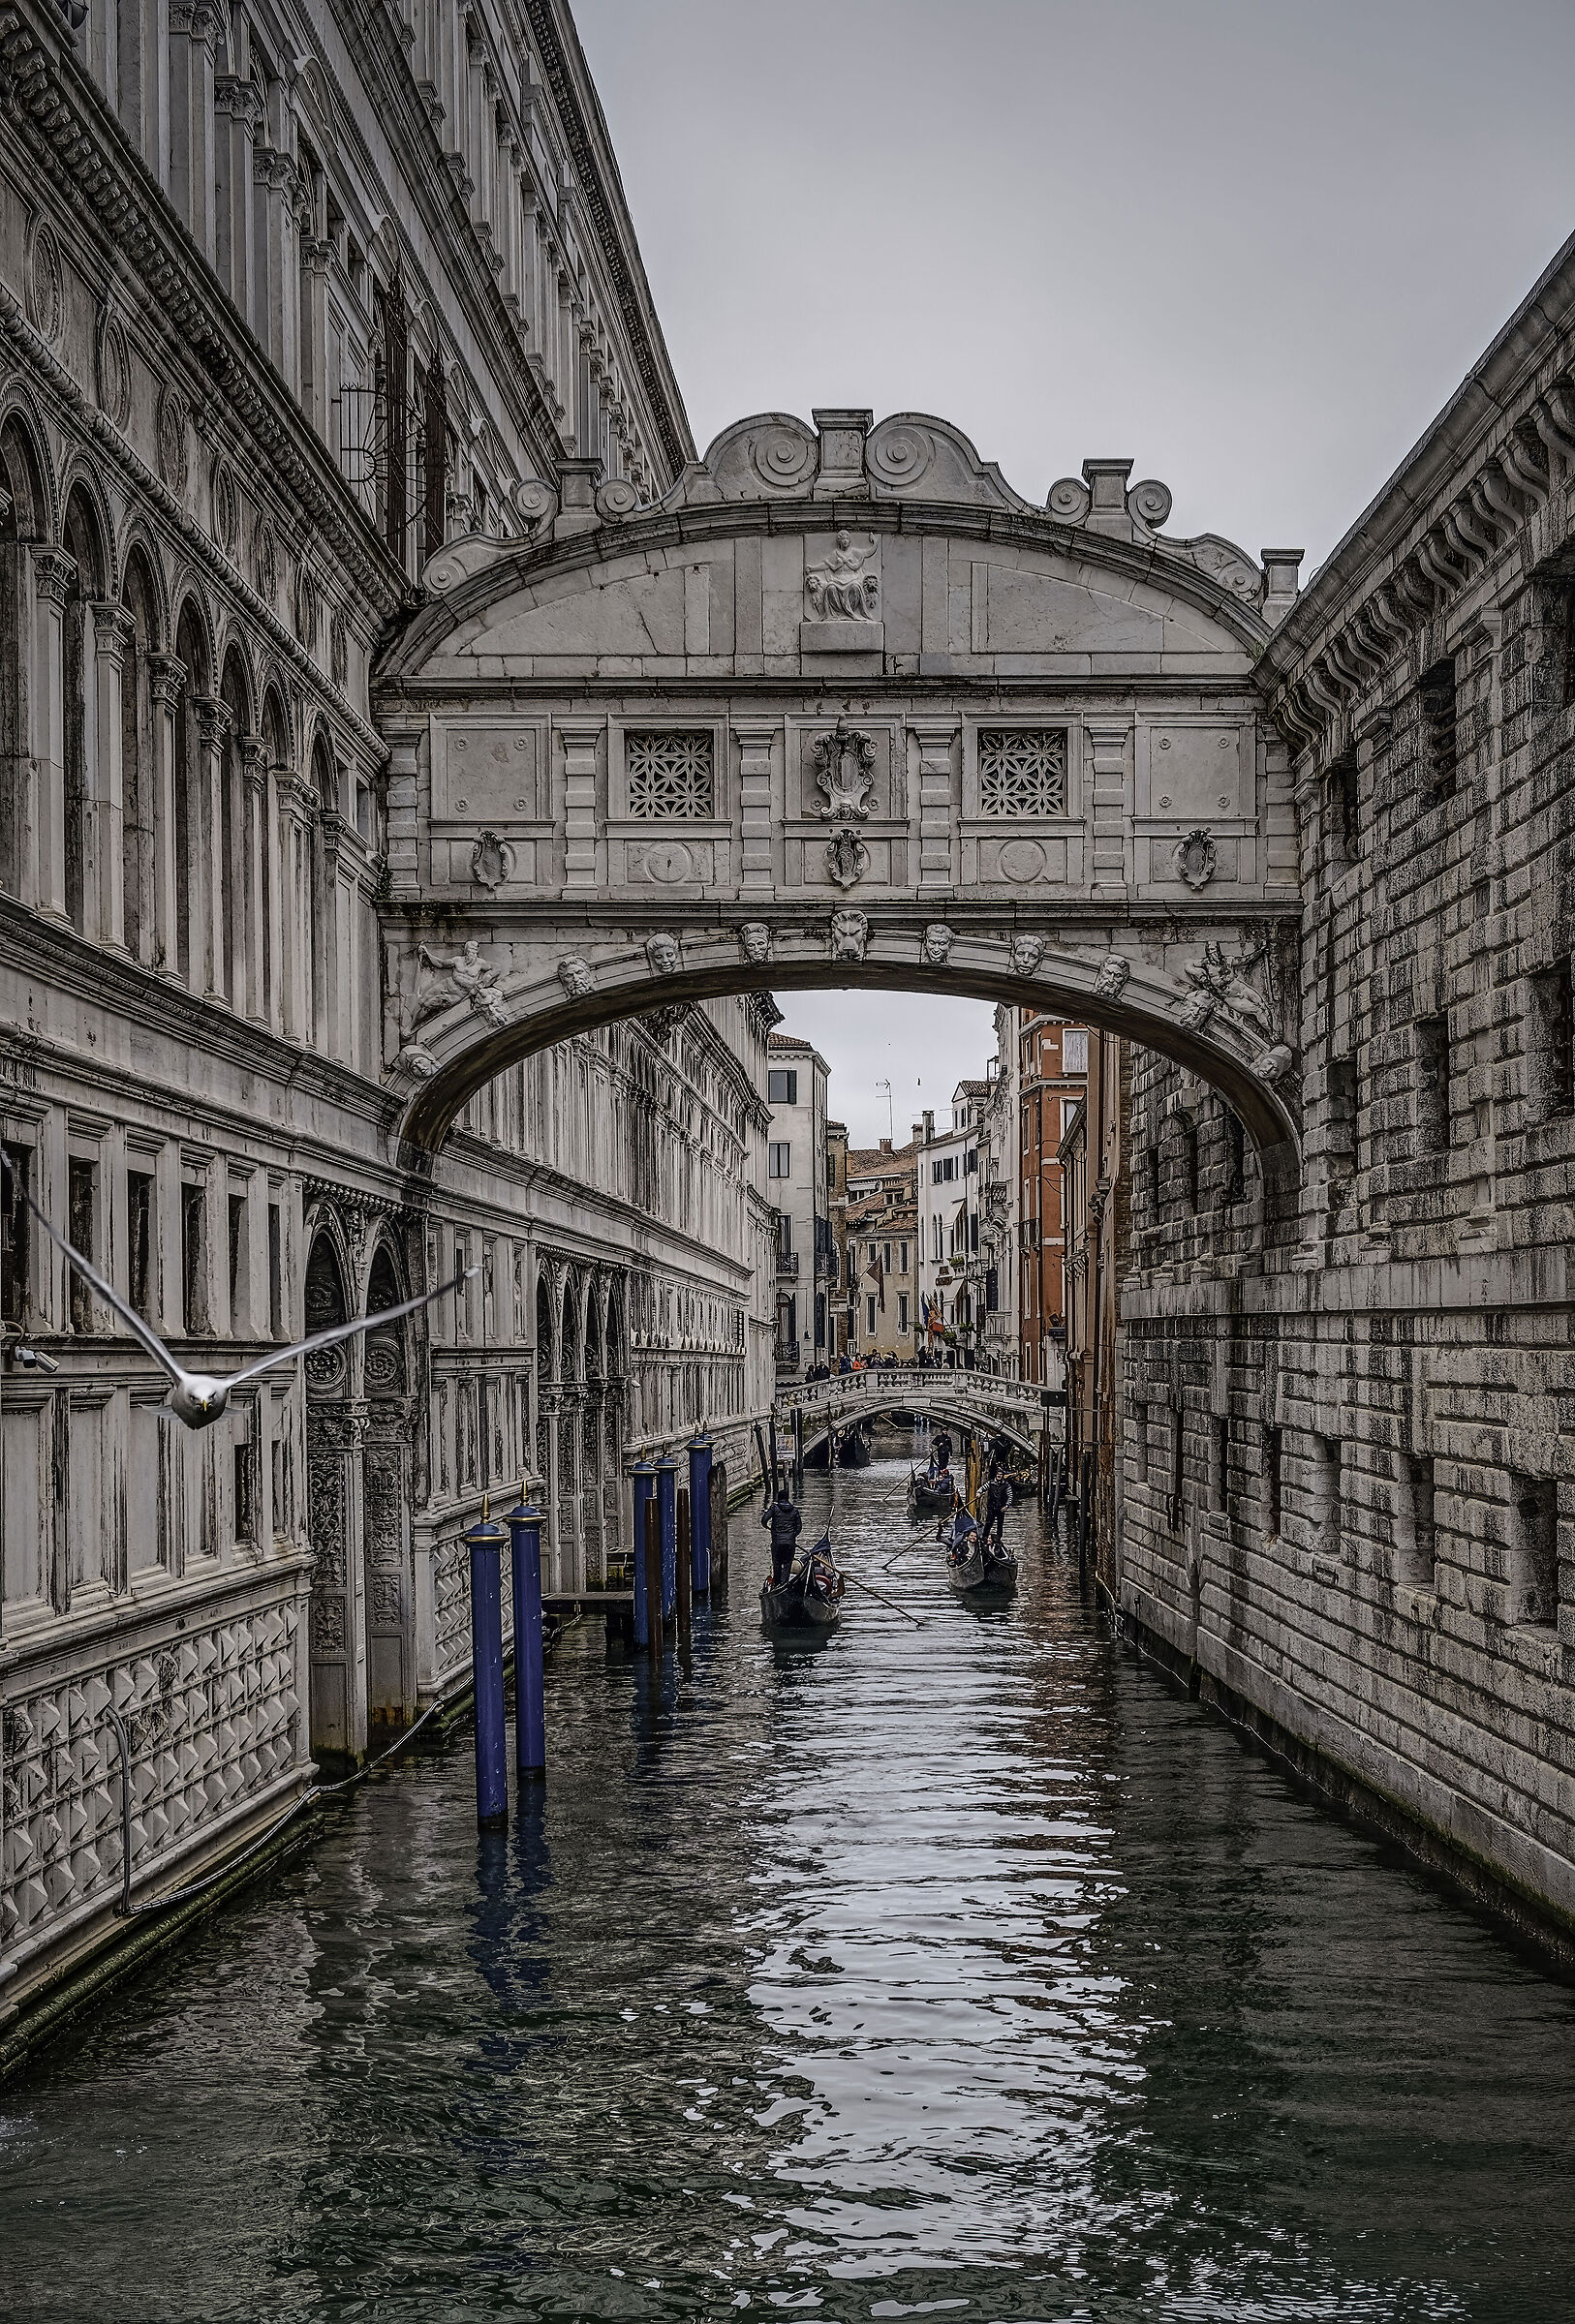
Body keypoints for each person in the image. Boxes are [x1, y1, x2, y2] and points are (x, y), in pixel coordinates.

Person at [762, 1481, 802, 1587]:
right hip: (790, 1542)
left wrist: (768, 1528)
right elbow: (799, 1527)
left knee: (777, 1564)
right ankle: (784, 1584)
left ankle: (777, 1585)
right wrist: (792, 1536)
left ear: (778, 1498)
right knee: (787, 1564)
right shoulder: (794, 1510)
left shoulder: (774, 1508)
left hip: (777, 1541)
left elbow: (764, 1520)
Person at [980, 1463, 1011, 1556]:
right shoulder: (990, 1483)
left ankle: (998, 1540)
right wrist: (978, 1493)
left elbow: (1010, 1496)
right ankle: (984, 1538)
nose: (999, 1476)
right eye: (998, 1474)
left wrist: (1006, 1505)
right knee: (988, 1523)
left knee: (1000, 1525)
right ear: (996, 1475)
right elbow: (982, 1488)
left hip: (1001, 1508)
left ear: (1002, 1476)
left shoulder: (1006, 1485)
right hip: (991, 1507)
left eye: (1000, 1474)